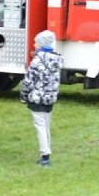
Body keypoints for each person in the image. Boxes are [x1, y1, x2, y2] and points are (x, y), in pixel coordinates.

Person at [20, 30, 64, 166]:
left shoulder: (37, 60)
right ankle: (46, 153)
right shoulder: (57, 59)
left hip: (37, 97)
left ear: (41, 44)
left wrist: (23, 95)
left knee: (40, 125)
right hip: (50, 97)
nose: (34, 45)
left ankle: (45, 156)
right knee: (46, 125)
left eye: (36, 42)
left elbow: (29, 80)